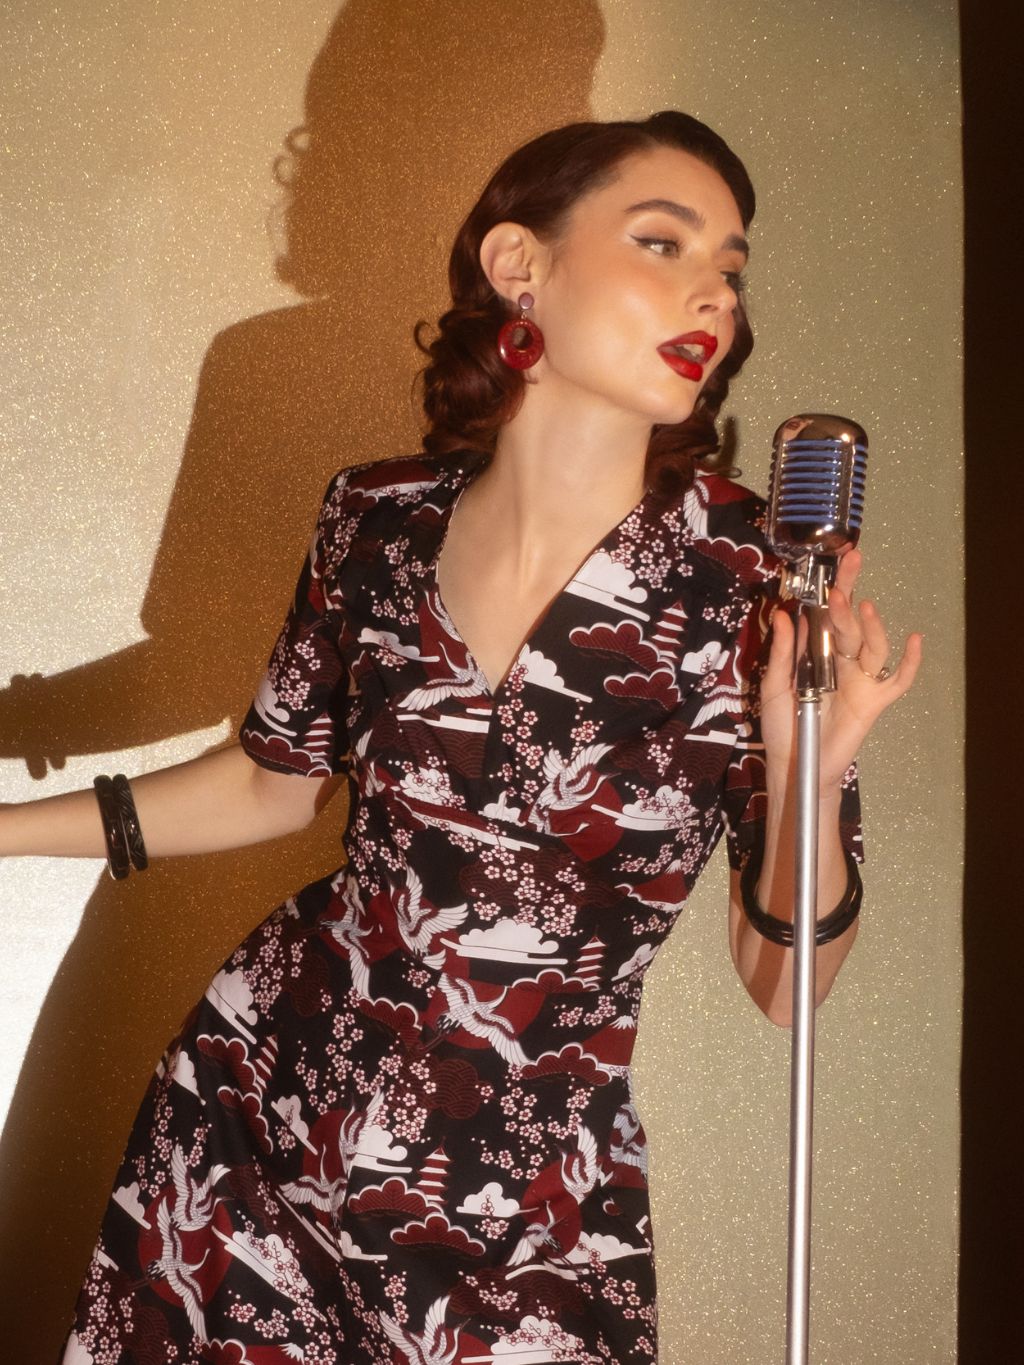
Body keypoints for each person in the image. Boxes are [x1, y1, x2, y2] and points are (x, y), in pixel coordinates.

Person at [3, 112, 920, 1363]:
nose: (712, 286)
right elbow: (272, 784)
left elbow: (788, 990)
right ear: (518, 264)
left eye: (732, 265)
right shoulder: (375, 516)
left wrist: (806, 770)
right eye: (664, 240)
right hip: (266, 1105)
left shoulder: (751, 575)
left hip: (522, 1188)